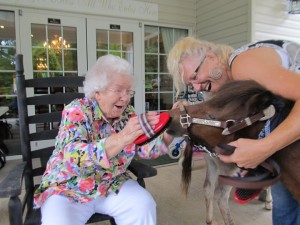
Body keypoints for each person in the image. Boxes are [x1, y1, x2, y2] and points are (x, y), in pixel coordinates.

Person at [167, 37, 300, 225]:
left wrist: (264, 148)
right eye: (191, 85)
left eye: (195, 76)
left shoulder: (242, 65)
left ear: (212, 57)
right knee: (284, 206)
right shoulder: (234, 87)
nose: (196, 87)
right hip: (287, 148)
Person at [34, 54, 173, 225]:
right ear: (97, 92)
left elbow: (144, 149)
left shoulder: (127, 113)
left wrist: (172, 129)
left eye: (129, 91)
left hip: (110, 183)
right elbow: (73, 157)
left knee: (143, 205)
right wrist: (122, 137)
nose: (126, 97)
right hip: (68, 187)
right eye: (119, 90)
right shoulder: (76, 110)